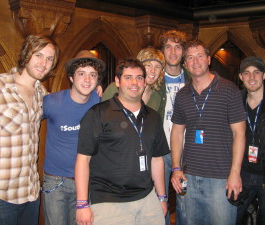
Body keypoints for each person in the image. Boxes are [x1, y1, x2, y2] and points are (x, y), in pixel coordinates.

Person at [75, 58, 170, 225]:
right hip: (109, 202)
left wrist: (162, 197)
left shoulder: (153, 117)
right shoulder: (98, 113)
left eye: (139, 77)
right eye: (128, 77)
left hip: (147, 200)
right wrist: (82, 204)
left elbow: (157, 159)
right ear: (117, 82)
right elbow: (83, 159)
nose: (134, 82)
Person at [0, 34, 59, 225]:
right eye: (39, 55)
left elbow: (67, 106)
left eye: (50, 59)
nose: (44, 63)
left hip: (31, 192)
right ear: (26, 54)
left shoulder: (42, 94)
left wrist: (92, 93)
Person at [171, 40, 246, 225]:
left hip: (221, 178)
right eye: (190, 57)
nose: (195, 62)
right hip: (189, 177)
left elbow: (240, 134)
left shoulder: (229, 90)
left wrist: (235, 173)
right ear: (185, 63)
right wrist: (175, 168)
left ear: (209, 59)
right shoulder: (182, 95)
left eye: (199, 56)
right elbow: (177, 132)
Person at [42, 50, 105, 225]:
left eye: (92, 75)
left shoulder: (98, 101)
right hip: (56, 182)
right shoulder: (51, 102)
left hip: (87, 182)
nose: (87, 80)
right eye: (81, 74)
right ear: (71, 77)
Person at [236, 56, 265, 225]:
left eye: (256, 72)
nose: (251, 77)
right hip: (242, 175)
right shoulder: (234, 102)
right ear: (241, 77)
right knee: (233, 218)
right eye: (246, 73)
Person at [159, 29, 191, 225]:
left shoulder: (194, 77)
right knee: (159, 201)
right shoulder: (152, 78)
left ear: (183, 51)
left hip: (187, 152)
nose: (172, 52)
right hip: (160, 151)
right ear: (162, 51)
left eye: (177, 47)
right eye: (168, 47)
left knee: (185, 201)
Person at [102, 47, 166, 119]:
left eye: (157, 67)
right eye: (148, 65)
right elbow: (102, 117)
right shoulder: (114, 89)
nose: (153, 71)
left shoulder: (156, 98)